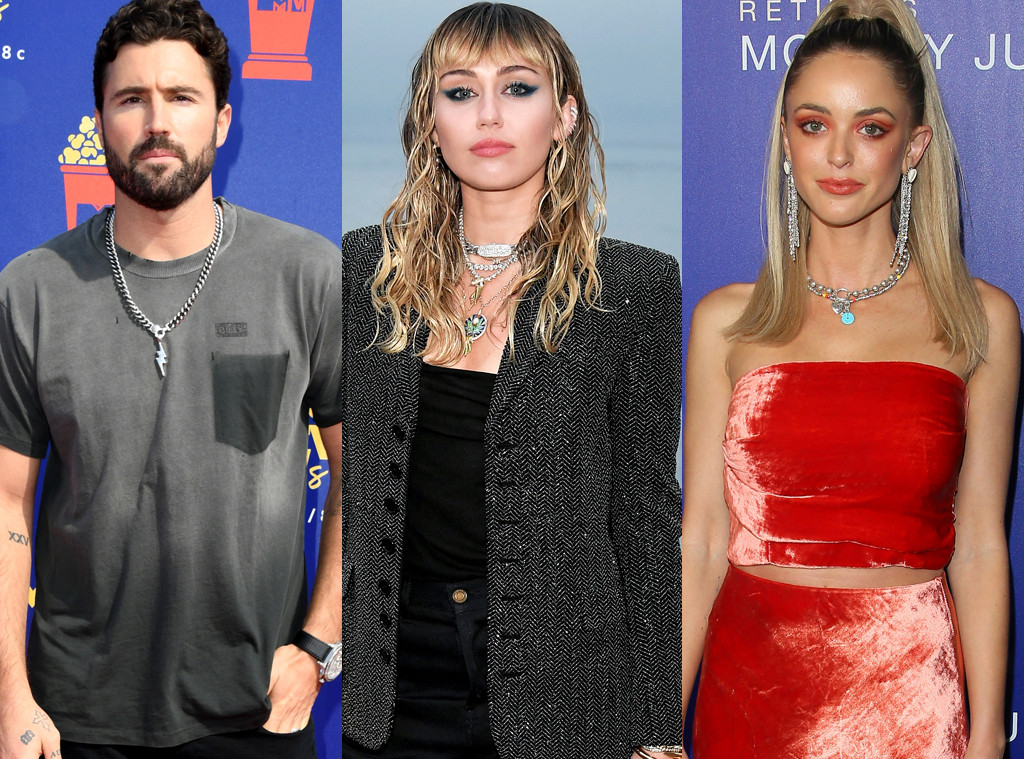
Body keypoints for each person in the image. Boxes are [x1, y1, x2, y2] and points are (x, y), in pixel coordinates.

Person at [0, 1, 343, 757]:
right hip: (73, 722)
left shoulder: (307, 274)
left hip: (257, 714)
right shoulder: (31, 291)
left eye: (181, 97)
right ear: (100, 118)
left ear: (222, 119)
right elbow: (7, 500)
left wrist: (317, 649)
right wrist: (11, 697)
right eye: (132, 99)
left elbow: (373, 478)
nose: (157, 121)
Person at [339, 4, 683, 759]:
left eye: (518, 88)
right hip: (395, 685)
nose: (488, 114)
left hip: (570, 687)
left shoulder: (634, 285)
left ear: (564, 117)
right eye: (460, 92)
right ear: (431, 121)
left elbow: (647, 520)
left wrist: (659, 728)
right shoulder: (361, 270)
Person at [682, 1, 1018, 757]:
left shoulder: (980, 319)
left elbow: (980, 547)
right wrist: (653, 726)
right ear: (786, 138)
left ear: (913, 147)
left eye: (871, 128)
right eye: (812, 124)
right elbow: (702, 541)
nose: (838, 155)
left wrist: (989, 731)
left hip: (910, 701)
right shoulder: (725, 323)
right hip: (749, 691)